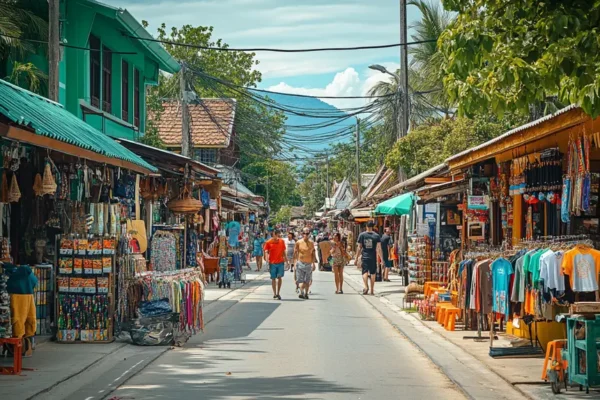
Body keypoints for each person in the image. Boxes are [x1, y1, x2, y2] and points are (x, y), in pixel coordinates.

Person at [355, 221, 384, 295]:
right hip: (373, 256)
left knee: (364, 272)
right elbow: (379, 248)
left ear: (366, 227)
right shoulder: (376, 236)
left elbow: (359, 247)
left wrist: (356, 258)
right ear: (373, 227)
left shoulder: (362, 235)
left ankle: (365, 286)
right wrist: (382, 260)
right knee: (373, 273)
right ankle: (371, 290)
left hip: (365, 256)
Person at [293, 227, 317, 299]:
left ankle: (306, 293)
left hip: (308, 263)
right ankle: (301, 292)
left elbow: (313, 254)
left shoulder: (311, 243)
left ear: (309, 234)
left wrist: (313, 264)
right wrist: (294, 263)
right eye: (304, 233)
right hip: (300, 263)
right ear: (302, 234)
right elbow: (295, 253)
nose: (305, 235)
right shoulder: (298, 242)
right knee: (300, 280)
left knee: (307, 280)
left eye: (307, 233)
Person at [264, 229, 287, 300]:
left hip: (280, 262)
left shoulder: (282, 241)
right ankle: (274, 293)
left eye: (278, 235)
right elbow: (266, 251)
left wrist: (287, 261)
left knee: (279, 277)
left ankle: (278, 293)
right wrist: (267, 260)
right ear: (273, 235)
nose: (277, 236)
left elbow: (283, 251)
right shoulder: (268, 242)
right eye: (275, 235)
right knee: (273, 278)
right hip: (272, 263)